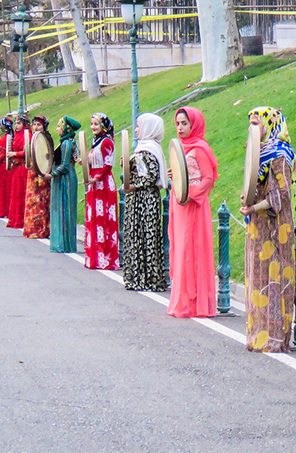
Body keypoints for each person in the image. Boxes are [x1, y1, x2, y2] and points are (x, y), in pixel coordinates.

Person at [239, 106, 296, 352]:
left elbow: (280, 196)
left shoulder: (279, 154)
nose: (254, 128)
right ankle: (257, 333)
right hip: (258, 224)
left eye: (257, 123)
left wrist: (253, 208)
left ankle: (273, 337)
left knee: (274, 276)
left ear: (269, 124)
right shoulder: (259, 153)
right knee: (258, 275)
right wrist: (247, 198)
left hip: (275, 225)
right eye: (251, 123)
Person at [167, 106, 218, 318]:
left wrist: (191, 194)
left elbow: (208, 178)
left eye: (184, 123)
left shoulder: (200, 148)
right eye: (177, 123)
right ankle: (182, 299)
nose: (180, 127)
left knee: (192, 250)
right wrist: (174, 177)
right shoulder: (180, 147)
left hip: (194, 206)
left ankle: (195, 303)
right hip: (179, 204)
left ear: (194, 124)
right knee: (180, 249)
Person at [121, 113, 167, 291]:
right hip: (139, 198)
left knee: (144, 235)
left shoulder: (149, 150)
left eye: (139, 126)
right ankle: (138, 276)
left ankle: (145, 278)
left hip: (145, 200)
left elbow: (150, 175)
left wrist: (133, 186)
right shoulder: (144, 148)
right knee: (137, 234)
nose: (136, 129)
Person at [81, 112, 120, 270]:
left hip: (103, 184)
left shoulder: (106, 142)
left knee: (103, 219)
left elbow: (108, 165)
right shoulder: (95, 141)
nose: (93, 127)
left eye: (96, 124)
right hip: (94, 183)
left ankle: (105, 257)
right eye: (91, 124)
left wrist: (96, 178)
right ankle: (94, 257)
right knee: (94, 218)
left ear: (103, 125)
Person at [45, 116, 80, 253]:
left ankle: (64, 244)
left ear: (66, 129)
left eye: (59, 127)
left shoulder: (66, 143)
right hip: (63, 178)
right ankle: (63, 242)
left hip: (65, 178)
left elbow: (65, 165)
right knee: (62, 209)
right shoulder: (67, 141)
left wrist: (51, 175)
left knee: (64, 209)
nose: (57, 129)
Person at [23, 115, 52, 239]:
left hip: (42, 173)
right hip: (32, 173)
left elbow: (48, 158)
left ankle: (42, 230)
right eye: (34, 125)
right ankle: (31, 228)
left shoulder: (46, 139)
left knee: (41, 202)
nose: (36, 127)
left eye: (39, 125)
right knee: (31, 201)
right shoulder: (32, 139)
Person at [6, 115, 29, 229]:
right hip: (16, 167)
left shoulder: (26, 135)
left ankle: (21, 219)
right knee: (15, 193)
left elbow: (26, 152)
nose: (16, 125)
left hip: (23, 167)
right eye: (15, 123)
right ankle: (15, 218)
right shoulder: (16, 135)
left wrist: (14, 154)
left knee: (21, 193)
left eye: (19, 123)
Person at [0, 117, 14, 219]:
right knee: (9, 188)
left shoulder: (5, 138)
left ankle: (2, 210)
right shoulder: (12, 137)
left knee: (2, 189)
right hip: (10, 165)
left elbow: (2, 153)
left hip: (3, 166)